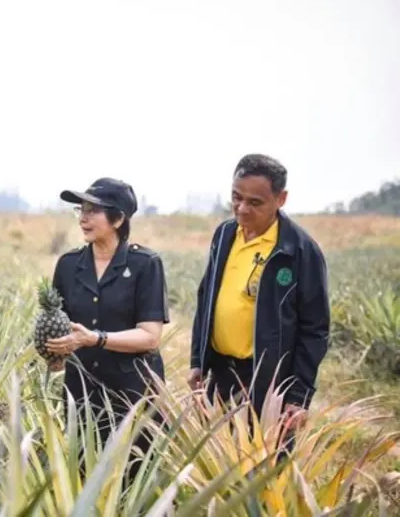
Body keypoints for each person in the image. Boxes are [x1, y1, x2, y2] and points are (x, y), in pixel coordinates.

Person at [188, 153, 330, 443]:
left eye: (255, 202)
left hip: (268, 383)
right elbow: (206, 299)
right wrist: (197, 360)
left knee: (265, 461)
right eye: (236, 197)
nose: (242, 209)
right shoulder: (224, 235)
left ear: (281, 199)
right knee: (215, 460)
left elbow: (315, 329)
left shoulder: (299, 251)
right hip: (221, 375)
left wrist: (298, 396)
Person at [45, 177, 170, 477]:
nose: (83, 218)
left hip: (133, 393)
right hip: (82, 391)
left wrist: (96, 338)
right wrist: (54, 352)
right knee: (83, 475)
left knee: (132, 477)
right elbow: (57, 322)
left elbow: (150, 336)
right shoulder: (68, 265)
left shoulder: (145, 264)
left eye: (93, 211)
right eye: (81, 210)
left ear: (118, 219)